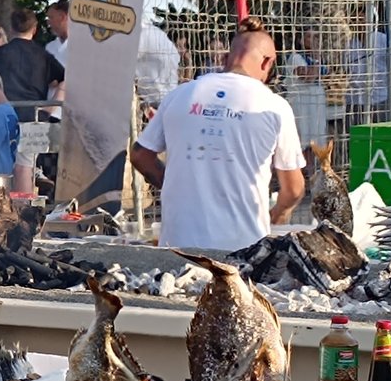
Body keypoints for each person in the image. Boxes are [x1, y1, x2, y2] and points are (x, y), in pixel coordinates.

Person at [130, 18, 305, 251]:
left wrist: (173, 184)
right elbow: (293, 189)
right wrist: (279, 213)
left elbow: (140, 155)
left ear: (227, 57)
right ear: (267, 62)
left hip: (177, 246)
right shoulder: (275, 107)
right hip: (242, 249)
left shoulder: (179, 95)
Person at [0, 7, 64, 193]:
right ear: (34, 29)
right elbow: (64, 79)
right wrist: (50, 107)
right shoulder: (44, 56)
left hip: (1, 117)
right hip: (34, 118)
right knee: (24, 168)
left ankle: (0, 208)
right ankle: (22, 210)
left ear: (10, 29)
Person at [281, 29, 327, 152]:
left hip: (316, 106)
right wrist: (317, 56)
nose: (314, 40)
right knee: (303, 142)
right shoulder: (295, 58)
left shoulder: (317, 59)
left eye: (316, 37)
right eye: (309, 37)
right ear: (300, 40)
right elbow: (309, 77)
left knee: (315, 142)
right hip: (302, 106)